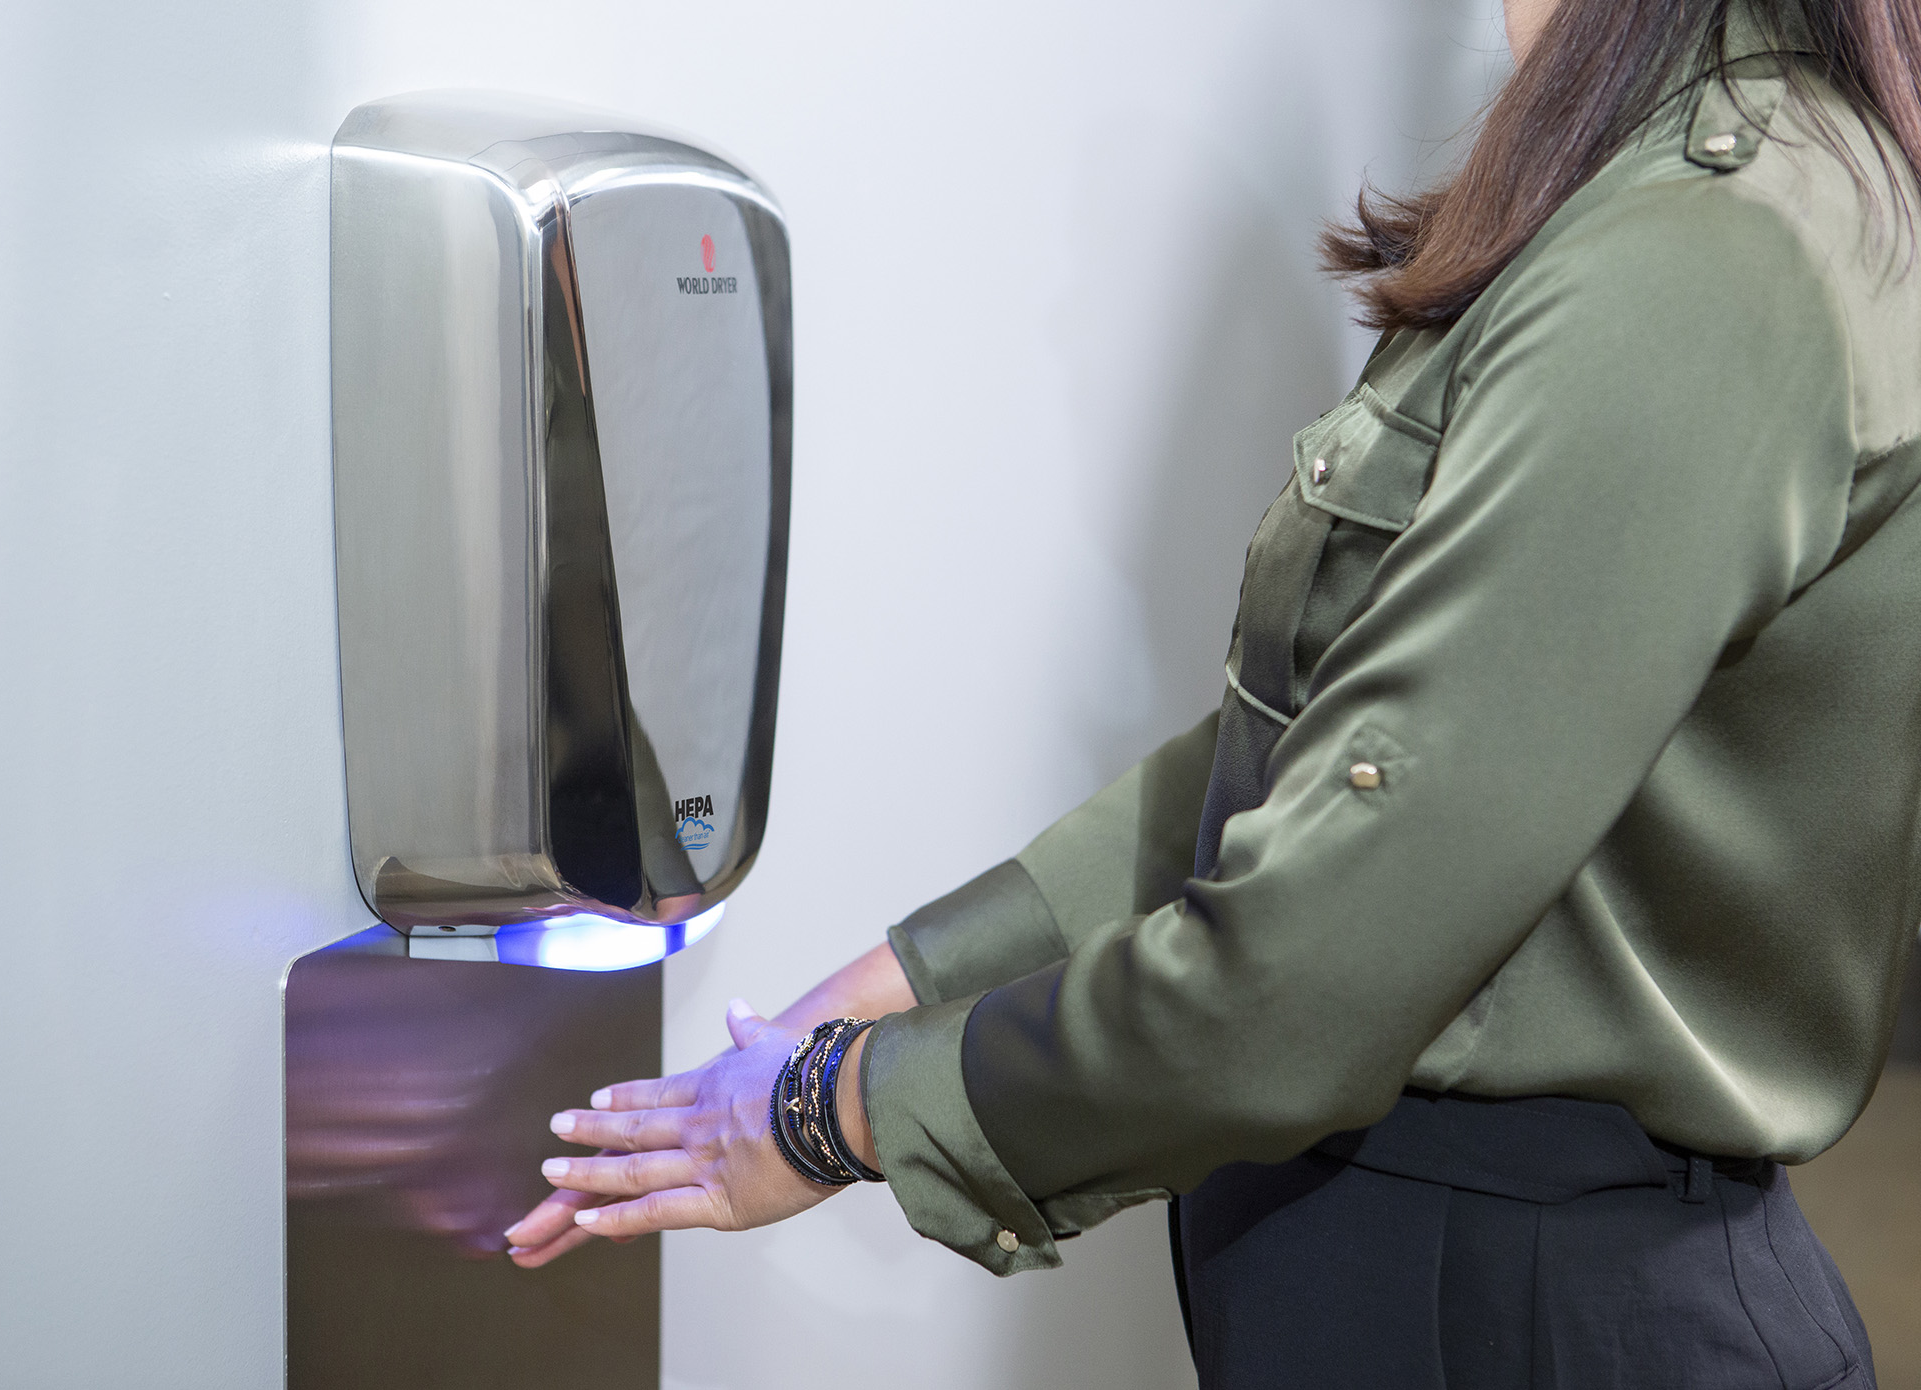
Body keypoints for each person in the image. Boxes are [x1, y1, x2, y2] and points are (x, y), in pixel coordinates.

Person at [504, 0, 1921, 1381]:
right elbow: (1344, 740)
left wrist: (835, 1109)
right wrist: (885, 989)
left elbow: (1310, 966)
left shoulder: (1702, 254)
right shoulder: (1689, 182)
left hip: (1525, 1304)